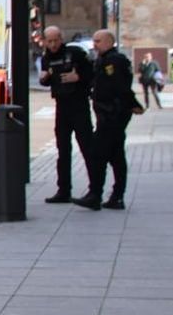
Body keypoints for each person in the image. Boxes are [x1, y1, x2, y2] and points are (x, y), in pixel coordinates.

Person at [75, 29, 135, 210]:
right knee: (116, 155)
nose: (95, 44)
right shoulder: (104, 60)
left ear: (109, 42)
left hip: (112, 115)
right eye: (94, 40)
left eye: (98, 41)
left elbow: (119, 88)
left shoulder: (114, 61)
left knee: (97, 154)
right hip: (107, 114)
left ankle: (96, 194)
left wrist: (127, 106)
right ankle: (115, 196)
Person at [37, 25, 95, 204]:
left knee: (87, 148)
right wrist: (44, 79)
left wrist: (78, 78)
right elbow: (48, 81)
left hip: (79, 105)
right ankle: (63, 190)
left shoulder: (75, 53)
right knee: (63, 149)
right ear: (45, 41)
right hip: (62, 106)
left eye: (56, 40)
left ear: (61, 39)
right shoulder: (46, 58)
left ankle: (94, 190)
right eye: (50, 41)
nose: (53, 44)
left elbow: (92, 74)